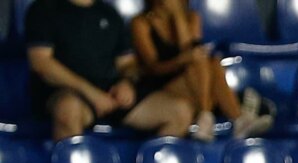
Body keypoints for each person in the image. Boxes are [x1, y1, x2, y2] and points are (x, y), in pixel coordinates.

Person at [25, 0, 192, 141]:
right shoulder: (43, 9)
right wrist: (91, 93)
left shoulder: (110, 14)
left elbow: (128, 65)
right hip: (69, 92)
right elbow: (41, 63)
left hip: (110, 94)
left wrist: (127, 83)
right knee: (68, 109)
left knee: (180, 111)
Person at [131, 0, 271, 141]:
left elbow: (191, 49)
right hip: (161, 85)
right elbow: (153, 68)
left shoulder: (192, 17)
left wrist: (178, 17)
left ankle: (208, 117)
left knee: (211, 61)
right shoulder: (141, 23)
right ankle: (235, 118)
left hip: (193, 84)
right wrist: (181, 60)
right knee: (202, 63)